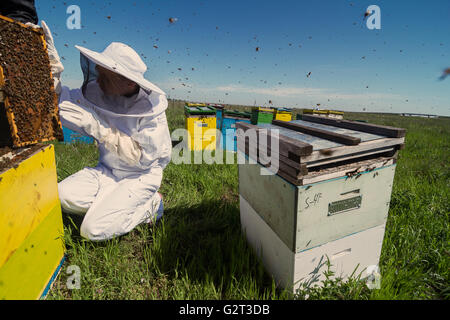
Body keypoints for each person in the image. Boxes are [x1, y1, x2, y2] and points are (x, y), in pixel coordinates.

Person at [41, 23, 172, 241]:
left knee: (93, 230)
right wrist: (52, 72)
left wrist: (98, 129)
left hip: (139, 177)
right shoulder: (96, 91)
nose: (97, 80)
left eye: (105, 76)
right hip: (106, 170)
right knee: (62, 196)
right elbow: (59, 101)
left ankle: (152, 204)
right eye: (98, 74)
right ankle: (113, 203)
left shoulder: (152, 112)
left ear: (129, 82)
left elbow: (141, 158)